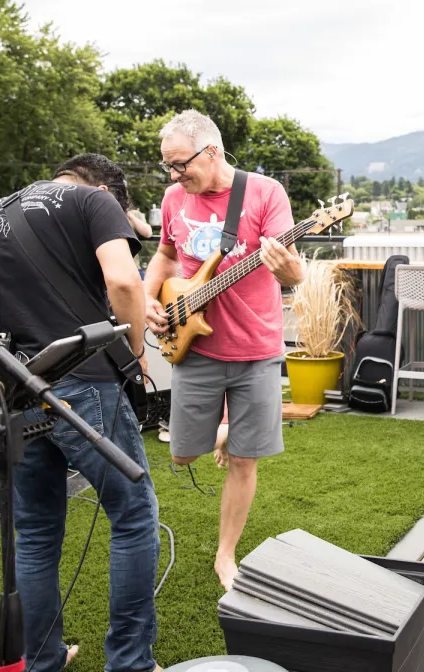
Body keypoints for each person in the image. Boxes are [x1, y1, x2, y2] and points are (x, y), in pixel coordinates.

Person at [0, 154, 161, 672]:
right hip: (86, 381)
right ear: (108, 189)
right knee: (134, 515)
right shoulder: (96, 201)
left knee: (34, 532)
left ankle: (44, 661)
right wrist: (137, 352)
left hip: (15, 392)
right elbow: (123, 283)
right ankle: (130, 663)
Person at [143, 109, 303, 590]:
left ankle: (225, 554)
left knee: (245, 459)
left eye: (179, 164)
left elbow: (293, 275)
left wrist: (286, 269)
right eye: (167, 166)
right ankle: (218, 436)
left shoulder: (265, 193)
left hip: (255, 347)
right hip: (192, 345)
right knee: (181, 454)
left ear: (211, 152)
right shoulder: (175, 198)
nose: (173, 175)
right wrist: (151, 297)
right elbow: (167, 254)